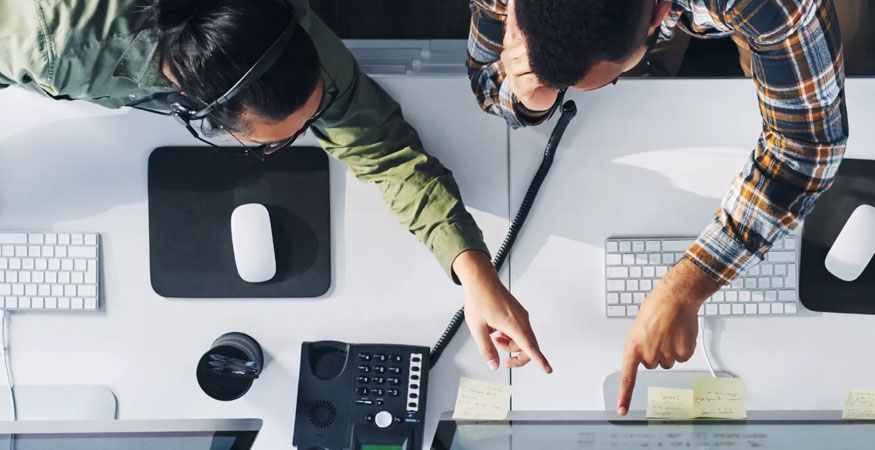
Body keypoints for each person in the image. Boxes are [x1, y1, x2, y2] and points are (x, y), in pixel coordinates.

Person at [0, 0, 552, 374]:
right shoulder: (50, 40)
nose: (301, 137)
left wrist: (475, 274)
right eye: (275, 143)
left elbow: (383, 152)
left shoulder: (292, 39)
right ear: (208, 116)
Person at [467, 0, 847, 414]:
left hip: (740, 17)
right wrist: (530, 97)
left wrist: (687, 287)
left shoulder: (771, 4)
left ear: (659, 14)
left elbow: (804, 144)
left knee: (776, 55)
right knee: (640, 71)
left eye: (601, 80)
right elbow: (486, 77)